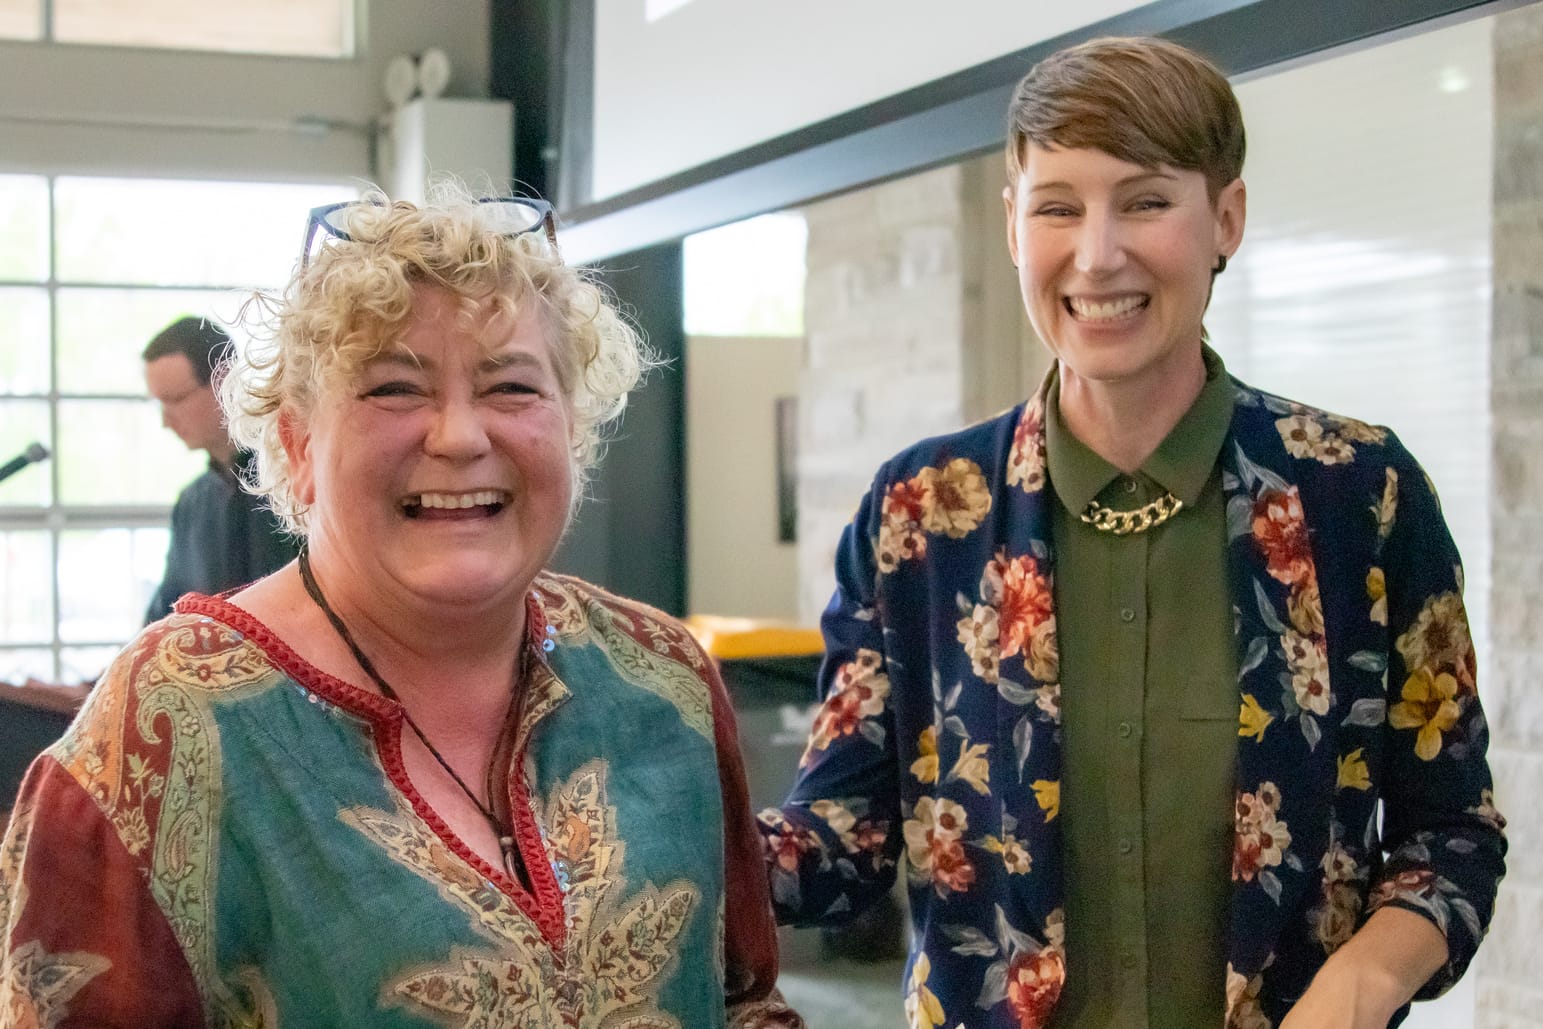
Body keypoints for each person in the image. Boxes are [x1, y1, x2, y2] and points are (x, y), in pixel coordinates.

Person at [759, 36, 1506, 1029]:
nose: (1097, 253)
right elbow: (840, 842)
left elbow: (1449, 835)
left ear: (1224, 220)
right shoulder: (923, 513)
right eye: (1057, 207)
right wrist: (659, 812)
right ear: (1011, 225)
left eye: (1145, 201)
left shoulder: (1359, 494)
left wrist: (1359, 984)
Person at [1, 188, 802, 1027]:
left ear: (572, 427)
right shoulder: (162, 733)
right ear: (297, 445)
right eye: (392, 387)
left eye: (511, 387)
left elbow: (741, 1001)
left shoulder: (660, 677)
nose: (460, 436)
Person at [141, 315, 298, 622]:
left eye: (176, 400)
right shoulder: (191, 504)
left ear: (223, 379)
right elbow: (166, 613)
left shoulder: (295, 480)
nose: (165, 421)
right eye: (160, 404)